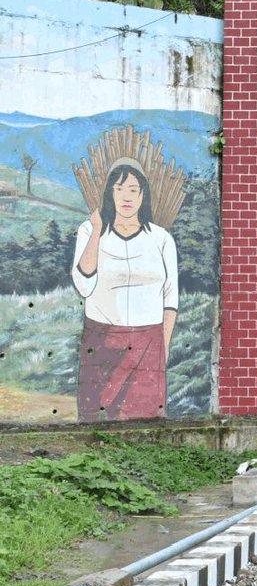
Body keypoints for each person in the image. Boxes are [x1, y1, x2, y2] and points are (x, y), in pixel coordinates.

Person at [71, 157, 179, 420]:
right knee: (97, 421)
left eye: (133, 189)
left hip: (148, 343)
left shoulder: (161, 239)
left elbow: (170, 298)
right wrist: (97, 230)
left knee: (145, 421)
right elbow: (83, 284)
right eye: (119, 189)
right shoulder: (89, 231)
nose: (126, 197)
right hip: (103, 340)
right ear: (110, 193)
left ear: (143, 195)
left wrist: (163, 347)